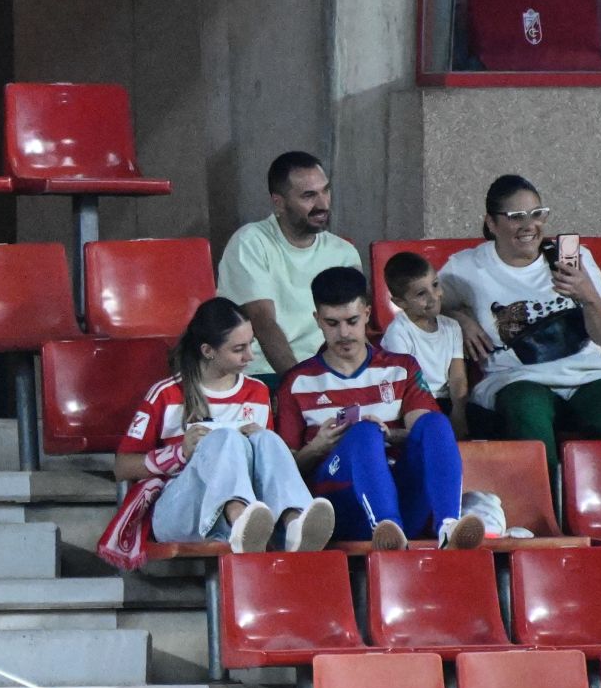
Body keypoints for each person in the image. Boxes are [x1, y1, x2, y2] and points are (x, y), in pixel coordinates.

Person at [438, 175, 601, 475]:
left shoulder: (574, 258)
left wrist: (588, 295)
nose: (529, 225)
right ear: (491, 223)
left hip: (588, 373)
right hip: (517, 378)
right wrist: (460, 319)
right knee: (525, 408)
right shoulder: (466, 267)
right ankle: (543, 513)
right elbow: (422, 306)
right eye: (516, 217)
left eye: (537, 214)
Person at [99, 299, 334, 567]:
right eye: (238, 349)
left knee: (266, 439)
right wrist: (180, 453)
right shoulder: (166, 393)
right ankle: (239, 521)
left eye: (251, 345)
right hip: (179, 512)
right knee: (226, 439)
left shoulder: (257, 393)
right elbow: (122, 467)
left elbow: (266, 467)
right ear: (208, 351)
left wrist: (257, 442)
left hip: (254, 510)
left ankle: (294, 523)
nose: (250, 357)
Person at [277, 267, 484, 551]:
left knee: (435, 423)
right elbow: (283, 475)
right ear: (318, 320)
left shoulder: (401, 368)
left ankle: (448, 527)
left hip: (404, 495)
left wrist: (389, 435)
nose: (344, 333)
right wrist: (318, 447)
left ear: (367, 314)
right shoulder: (297, 382)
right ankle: (387, 533)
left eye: (352, 321)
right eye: (332, 323)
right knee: (362, 433)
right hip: (340, 506)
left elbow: (425, 432)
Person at [215, 151, 363, 386]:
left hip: (329, 373)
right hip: (263, 373)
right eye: (309, 196)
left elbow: (355, 324)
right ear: (279, 202)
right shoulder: (250, 242)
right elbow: (263, 323)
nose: (323, 204)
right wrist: (300, 387)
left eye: (326, 191)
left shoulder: (344, 252)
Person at [380, 252, 470, 440]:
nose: (434, 297)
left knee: (492, 423)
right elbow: (407, 386)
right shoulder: (399, 332)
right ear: (400, 303)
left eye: (435, 285)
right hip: (414, 404)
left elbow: (457, 377)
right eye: (421, 294)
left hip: (446, 402)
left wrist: (459, 413)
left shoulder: (451, 326)